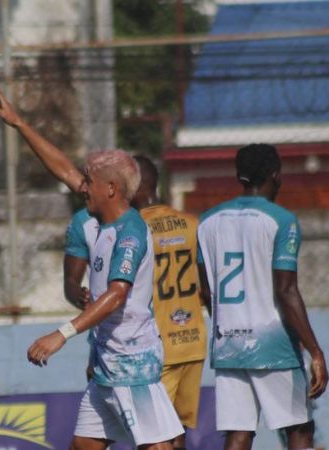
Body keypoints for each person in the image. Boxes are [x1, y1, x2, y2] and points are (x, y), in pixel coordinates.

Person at [0, 82, 182, 450]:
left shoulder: (131, 231)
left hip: (131, 364)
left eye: (89, 182)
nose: (82, 187)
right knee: (84, 446)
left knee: (160, 446)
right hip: (106, 365)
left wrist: (60, 334)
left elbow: (117, 294)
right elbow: (63, 169)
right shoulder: (100, 219)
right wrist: (18, 124)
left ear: (110, 188)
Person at [196, 143, 328, 450]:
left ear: (239, 175)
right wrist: (315, 351)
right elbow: (286, 290)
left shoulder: (207, 221)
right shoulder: (281, 221)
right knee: (299, 428)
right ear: (276, 176)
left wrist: (229, 325)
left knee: (238, 432)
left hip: (228, 343)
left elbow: (206, 291)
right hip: (274, 346)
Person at [130, 156, 208, 450]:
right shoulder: (192, 224)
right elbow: (207, 289)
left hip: (157, 346)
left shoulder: (134, 230)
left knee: (152, 436)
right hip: (193, 340)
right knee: (178, 432)